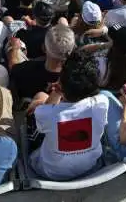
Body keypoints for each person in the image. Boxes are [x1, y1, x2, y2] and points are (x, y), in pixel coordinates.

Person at [27, 50, 109, 180]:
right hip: (90, 166)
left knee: (38, 101)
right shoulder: (102, 102)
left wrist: (56, 93)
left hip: (51, 172)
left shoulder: (47, 113)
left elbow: (42, 114)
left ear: (61, 85)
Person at [9, 23, 76, 100]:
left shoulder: (28, 69)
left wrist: (14, 49)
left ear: (44, 48)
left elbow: (13, 68)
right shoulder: (75, 79)